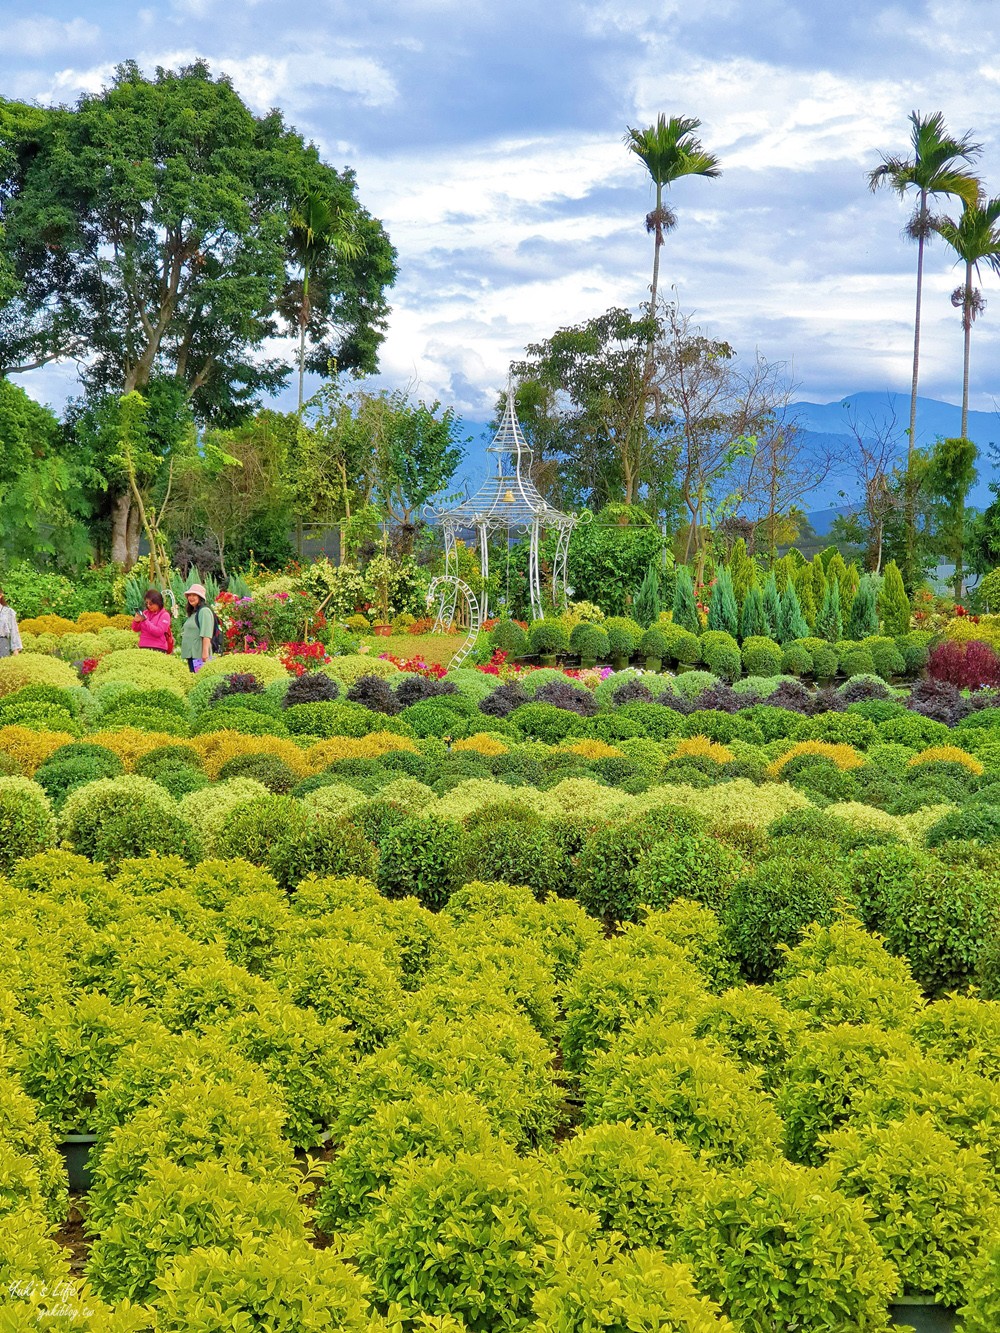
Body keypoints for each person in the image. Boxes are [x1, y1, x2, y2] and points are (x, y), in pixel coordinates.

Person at [181, 584, 214, 673]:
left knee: (200, 677)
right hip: (192, 654)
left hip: (199, 655)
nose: (191, 597)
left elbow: (206, 633)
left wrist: (205, 653)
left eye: (194, 595)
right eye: (189, 595)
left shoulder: (204, 611)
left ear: (200, 597)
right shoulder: (193, 613)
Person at [0, 587, 22, 658]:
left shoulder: (8, 612)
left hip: (2, 643)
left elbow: (14, 630)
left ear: (1, 595)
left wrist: (15, 649)